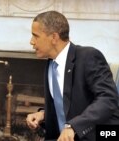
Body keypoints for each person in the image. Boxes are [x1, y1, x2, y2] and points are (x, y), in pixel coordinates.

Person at [26, 11, 119, 141]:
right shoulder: (50, 64)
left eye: (35, 36)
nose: (31, 42)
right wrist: (43, 115)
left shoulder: (89, 56)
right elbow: (67, 105)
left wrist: (74, 126)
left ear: (54, 37)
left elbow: (108, 99)